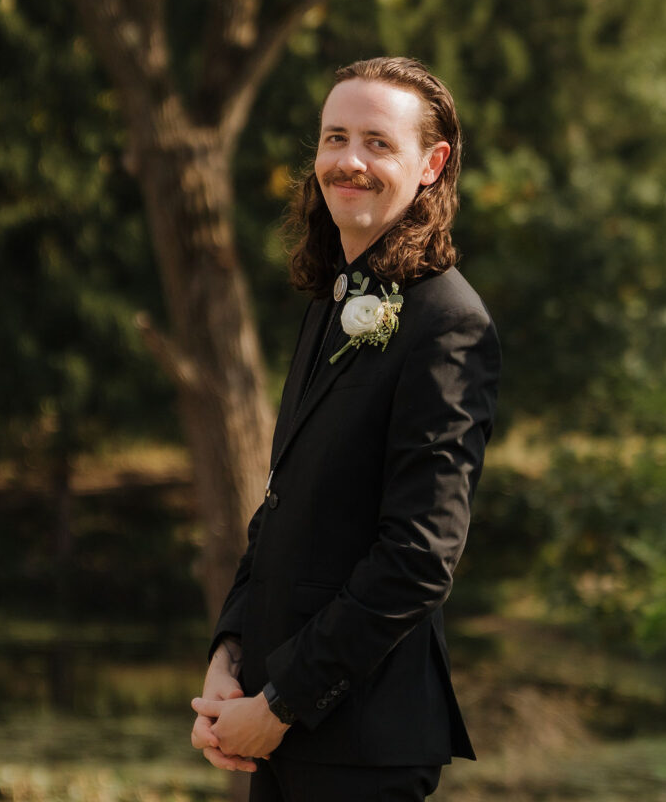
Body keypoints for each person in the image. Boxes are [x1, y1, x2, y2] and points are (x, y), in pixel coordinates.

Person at [190, 56, 502, 801]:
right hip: (280, 727)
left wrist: (281, 702)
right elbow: (280, 504)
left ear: (431, 164)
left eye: (376, 142)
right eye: (334, 138)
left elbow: (419, 556)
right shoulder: (335, 300)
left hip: (361, 742)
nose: (347, 162)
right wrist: (229, 655)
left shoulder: (448, 323)